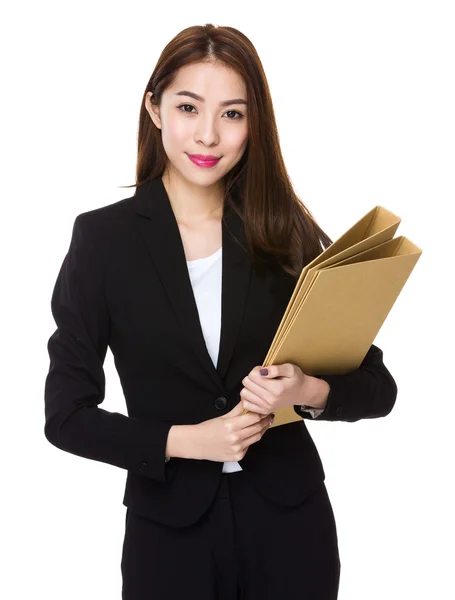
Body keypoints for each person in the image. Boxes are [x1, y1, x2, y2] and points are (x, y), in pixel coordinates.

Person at [44, 23, 398, 600]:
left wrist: (304, 389)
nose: (208, 135)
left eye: (233, 114)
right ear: (154, 109)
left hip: (291, 528)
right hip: (169, 539)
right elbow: (65, 418)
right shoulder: (102, 242)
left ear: (254, 124)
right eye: (189, 107)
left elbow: (378, 388)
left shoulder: (285, 231)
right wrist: (188, 440)